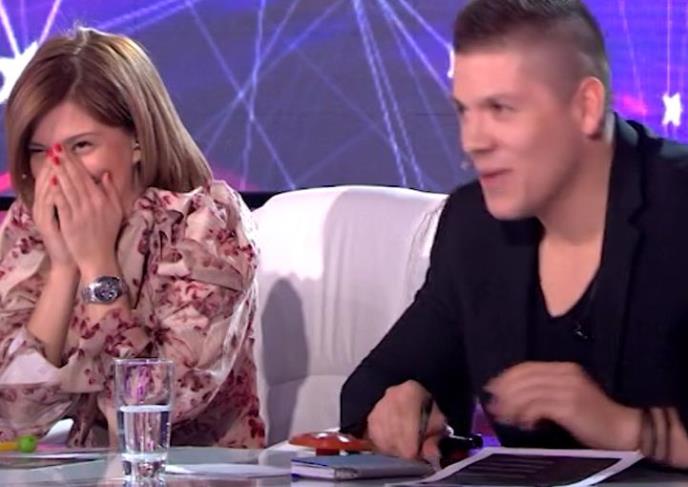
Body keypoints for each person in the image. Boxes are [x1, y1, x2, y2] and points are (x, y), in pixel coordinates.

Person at [340, 0, 688, 468]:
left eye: (501, 109)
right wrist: (400, 405)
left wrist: (627, 428)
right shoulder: (474, 225)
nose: (472, 141)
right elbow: (376, 381)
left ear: (585, 107)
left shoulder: (677, 204)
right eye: (465, 112)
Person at [0, 27, 265, 448]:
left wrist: (97, 265)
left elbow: (157, 407)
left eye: (81, 146)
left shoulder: (205, 223)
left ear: (137, 140)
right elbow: (14, 418)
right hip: (82, 472)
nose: (59, 174)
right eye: (39, 152)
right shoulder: (32, 224)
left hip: (197, 470)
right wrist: (64, 269)